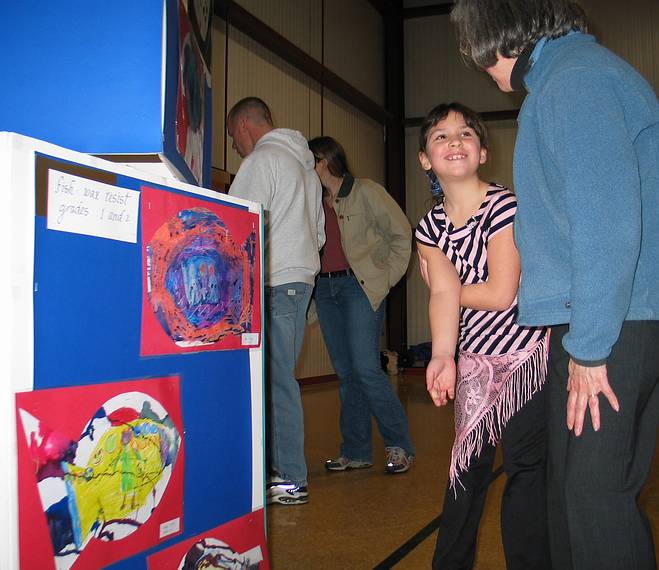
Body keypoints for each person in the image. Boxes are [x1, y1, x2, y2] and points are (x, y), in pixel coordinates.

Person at [450, 1, 659, 568]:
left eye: (480, 55)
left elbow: (607, 221)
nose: (486, 70)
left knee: (595, 500)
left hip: (612, 323)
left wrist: (590, 348)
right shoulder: (569, 78)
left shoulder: (574, 80)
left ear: (502, 34)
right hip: (610, 316)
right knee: (574, 495)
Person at [415, 102, 550, 569]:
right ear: (425, 160)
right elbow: (442, 296)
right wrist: (441, 356)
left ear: (483, 153)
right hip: (474, 358)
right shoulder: (428, 228)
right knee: (464, 474)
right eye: (440, 136)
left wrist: (447, 291)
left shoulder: (503, 205)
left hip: (524, 356)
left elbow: (499, 291)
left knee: (526, 470)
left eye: (465, 134)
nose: (454, 141)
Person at [227, 97, 325, 505]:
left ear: (246, 125)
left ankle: (289, 477)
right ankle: (278, 470)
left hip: (273, 282)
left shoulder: (261, 161)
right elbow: (318, 235)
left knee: (275, 380)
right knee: (276, 377)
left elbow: (235, 226)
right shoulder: (306, 169)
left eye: (234, 138)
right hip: (300, 281)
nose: (236, 147)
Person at [307, 136, 415, 474]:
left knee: (367, 370)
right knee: (347, 374)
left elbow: (402, 235)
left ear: (325, 160)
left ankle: (400, 446)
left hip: (358, 287)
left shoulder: (366, 191)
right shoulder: (312, 202)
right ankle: (355, 451)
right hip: (325, 290)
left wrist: (384, 279)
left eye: (310, 160)